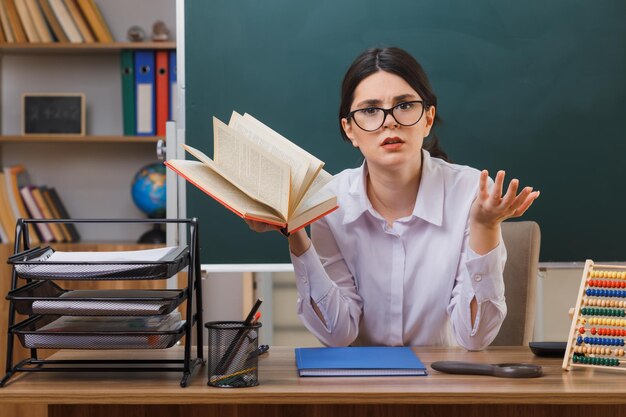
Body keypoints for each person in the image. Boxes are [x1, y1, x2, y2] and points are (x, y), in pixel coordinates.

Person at [247, 46, 540, 350]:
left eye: (404, 106)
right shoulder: (329, 201)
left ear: (428, 119)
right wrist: (293, 231)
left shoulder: (471, 193)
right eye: (370, 110)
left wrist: (485, 226)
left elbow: (475, 337)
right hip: (362, 387)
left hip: (443, 384)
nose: (390, 122)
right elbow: (337, 334)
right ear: (350, 130)